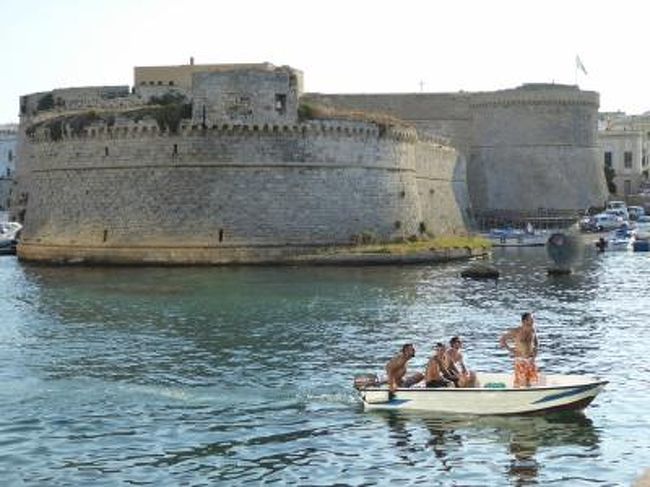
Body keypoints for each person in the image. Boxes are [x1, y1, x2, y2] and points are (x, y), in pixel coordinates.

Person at [499, 312, 539, 387]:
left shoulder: (532, 330)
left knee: (529, 382)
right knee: (520, 382)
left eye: (533, 319)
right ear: (524, 321)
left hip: (530, 360)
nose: (533, 321)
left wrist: (535, 352)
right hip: (520, 359)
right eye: (531, 319)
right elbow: (502, 339)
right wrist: (511, 350)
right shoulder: (517, 331)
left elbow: (536, 343)